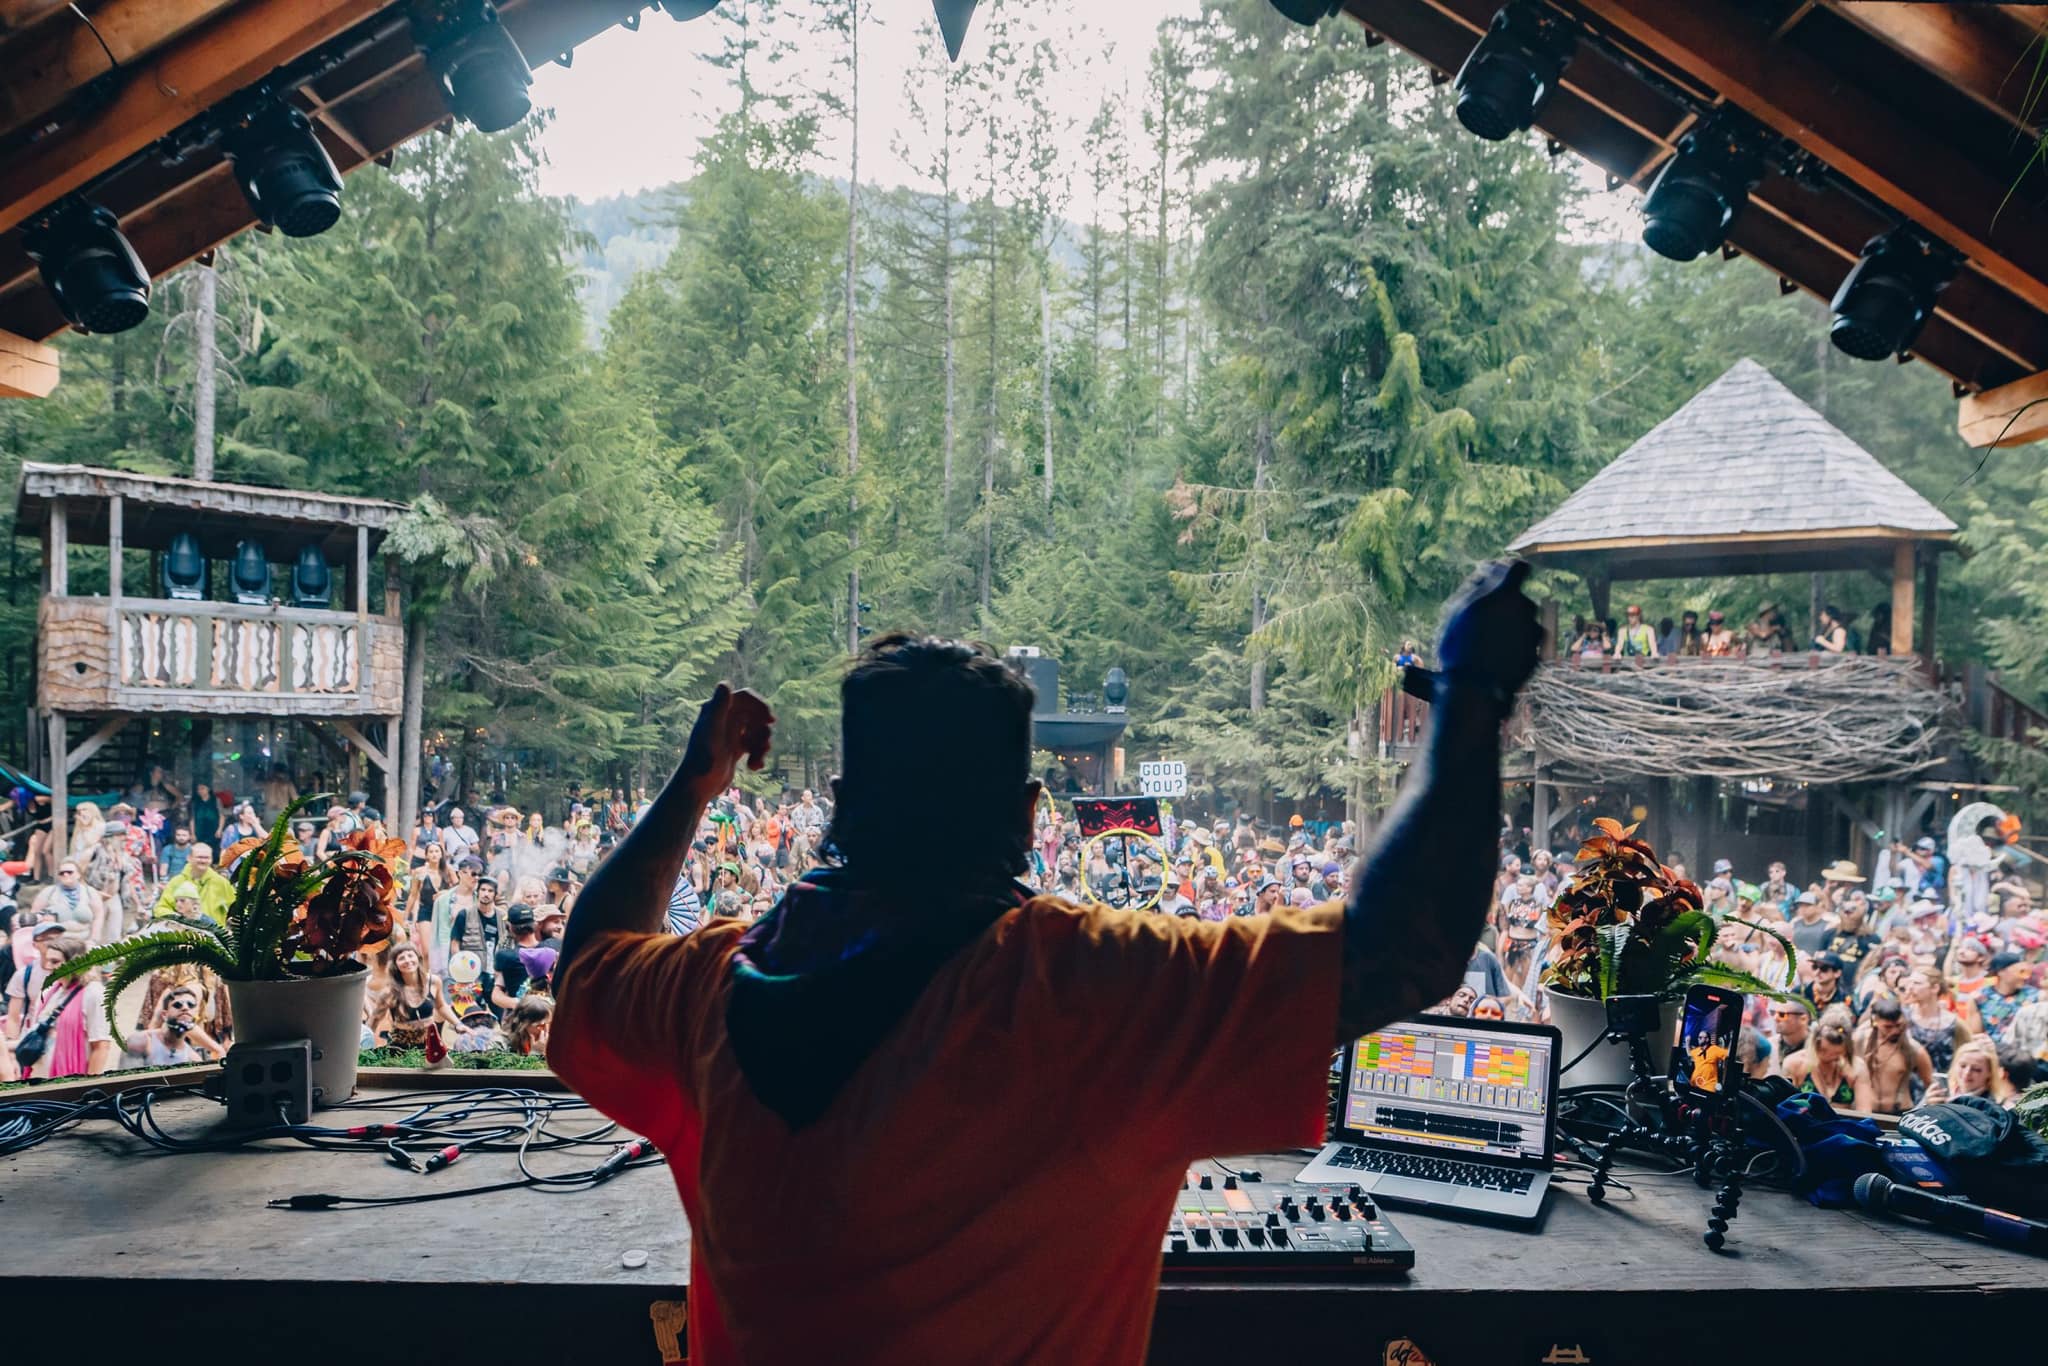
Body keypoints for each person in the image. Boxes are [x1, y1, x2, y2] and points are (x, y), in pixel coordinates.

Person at [549, 563, 1541, 1366]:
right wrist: (1464, 691)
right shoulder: (1079, 994)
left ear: (841, 801)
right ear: (1028, 818)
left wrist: (694, 784)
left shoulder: (703, 990)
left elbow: (591, 956)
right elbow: (1403, 943)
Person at [11, 935, 115, 1080]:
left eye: (55, 961)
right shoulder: (49, 992)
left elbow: (101, 1046)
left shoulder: (94, 993)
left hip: (71, 1079)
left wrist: (89, 1086)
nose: (48, 966)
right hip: (38, 1076)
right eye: (48, 960)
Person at [1856, 998, 1933, 1114]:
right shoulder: (1859, 1042)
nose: (1894, 1031)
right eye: (1888, 1027)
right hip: (1865, 1111)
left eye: (1898, 1025)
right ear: (1875, 1021)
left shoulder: (1914, 1050)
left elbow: (1931, 1085)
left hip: (1899, 1112)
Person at [123, 981, 226, 1067]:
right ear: (164, 1014)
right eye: (177, 1005)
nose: (185, 1008)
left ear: (196, 1013)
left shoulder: (193, 1059)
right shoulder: (140, 1041)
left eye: (191, 1005)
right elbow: (124, 1083)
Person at [1782, 1014, 1872, 1110]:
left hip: (1842, 1123)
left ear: (1847, 1050)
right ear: (1815, 1043)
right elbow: (1785, 1108)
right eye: (1823, 1051)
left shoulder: (1856, 1067)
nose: (1829, 1057)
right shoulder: (1794, 1064)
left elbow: (1865, 1112)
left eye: (1837, 1054)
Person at [449, 875, 505, 1008]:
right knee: (468, 1011)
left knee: (499, 1011)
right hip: (471, 970)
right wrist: (460, 969)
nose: (486, 894)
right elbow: (455, 944)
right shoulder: (465, 914)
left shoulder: (502, 916)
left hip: (494, 969)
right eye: (483, 890)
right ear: (477, 892)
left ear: (495, 895)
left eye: (490, 891)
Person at [31, 860, 109, 946]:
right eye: (61, 873)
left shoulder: (90, 892)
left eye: (69, 872)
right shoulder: (49, 892)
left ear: (78, 875)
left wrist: (93, 939)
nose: (65, 874)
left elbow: (98, 917)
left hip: (84, 943)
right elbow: (34, 915)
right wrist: (43, 919)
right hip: (56, 944)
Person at [153, 843, 235, 924]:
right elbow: (161, 908)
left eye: (207, 858)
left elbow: (237, 907)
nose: (203, 860)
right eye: (199, 857)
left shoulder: (221, 882)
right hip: (182, 934)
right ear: (189, 858)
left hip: (214, 934)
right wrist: (179, 919)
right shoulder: (176, 881)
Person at [1939, 1037, 2016, 1106]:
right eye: (1962, 1066)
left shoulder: (1991, 1105)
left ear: (1990, 1073)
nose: (1967, 1072)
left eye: (1976, 1069)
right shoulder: (1944, 1089)